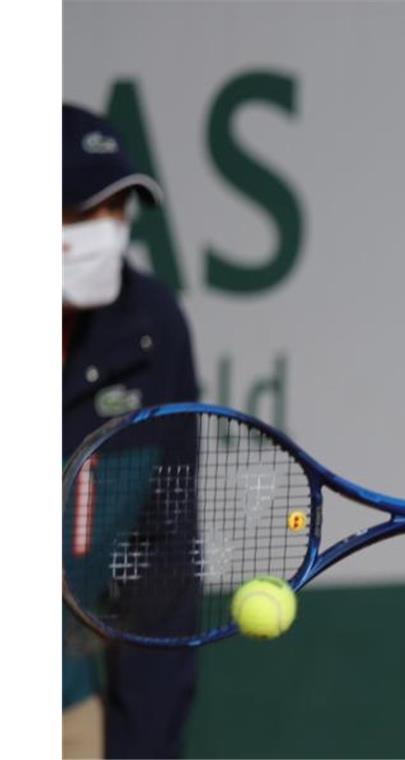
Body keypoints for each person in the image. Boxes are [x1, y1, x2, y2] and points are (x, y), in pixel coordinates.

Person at [63, 103, 200, 759]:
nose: (106, 233)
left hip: (63, 700)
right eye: (82, 212)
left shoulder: (152, 326)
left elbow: (161, 562)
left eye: (119, 211)